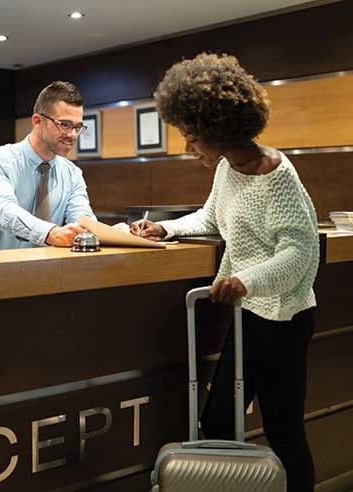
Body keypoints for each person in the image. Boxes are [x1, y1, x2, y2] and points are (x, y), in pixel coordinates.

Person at [133, 53, 318, 492]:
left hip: (284, 320)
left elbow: (300, 252)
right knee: (217, 424)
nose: (188, 147)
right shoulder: (225, 169)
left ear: (221, 130)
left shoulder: (277, 176)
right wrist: (165, 228)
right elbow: (212, 219)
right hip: (248, 316)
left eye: (193, 137)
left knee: (284, 430)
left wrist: (246, 279)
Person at [0, 81, 96, 251]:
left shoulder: (72, 173)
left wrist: (118, 233)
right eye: (64, 125)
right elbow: (3, 212)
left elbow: (82, 220)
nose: (72, 135)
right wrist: (50, 233)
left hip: (44, 274)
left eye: (77, 127)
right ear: (37, 121)